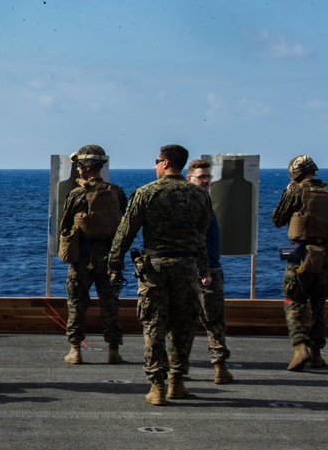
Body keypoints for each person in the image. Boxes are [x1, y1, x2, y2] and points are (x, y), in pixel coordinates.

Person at [109, 145, 212, 406]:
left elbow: (125, 232)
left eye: (157, 161)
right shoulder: (200, 196)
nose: (155, 165)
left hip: (154, 267)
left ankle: (157, 385)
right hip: (187, 266)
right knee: (183, 324)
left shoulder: (146, 193)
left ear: (165, 163)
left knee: (154, 323)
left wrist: (114, 263)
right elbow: (201, 237)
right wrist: (204, 270)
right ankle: (177, 381)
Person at [272, 155, 328, 370]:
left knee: (292, 300)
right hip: (325, 257)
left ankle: (300, 346)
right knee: (319, 304)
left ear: (295, 173)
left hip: (301, 256)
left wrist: (287, 191)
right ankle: (317, 354)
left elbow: (278, 219)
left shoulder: (296, 191)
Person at [59, 145, 127, 365]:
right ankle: (114, 351)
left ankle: (75, 350)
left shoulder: (77, 194)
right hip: (110, 258)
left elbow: (64, 225)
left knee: (77, 303)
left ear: (87, 166)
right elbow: (125, 224)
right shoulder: (116, 192)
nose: (78, 170)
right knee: (110, 303)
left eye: (79, 165)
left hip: (83, 257)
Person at [186, 159, 233, 384]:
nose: (205, 181)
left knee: (214, 320)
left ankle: (219, 366)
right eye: (201, 177)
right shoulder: (190, 206)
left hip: (209, 268)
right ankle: (178, 368)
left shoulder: (206, 203)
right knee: (182, 321)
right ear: (190, 179)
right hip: (195, 271)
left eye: (208, 177)